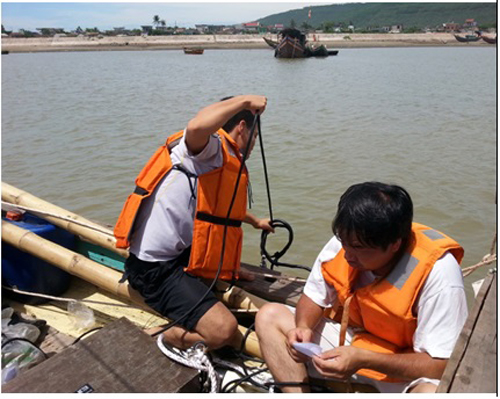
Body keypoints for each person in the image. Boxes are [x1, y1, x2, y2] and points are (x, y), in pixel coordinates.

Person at [255, 182, 468, 393]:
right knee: (269, 316)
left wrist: (365, 359)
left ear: (394, 244)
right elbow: (313, 296)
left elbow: (441, 365)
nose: (347, 254)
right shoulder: (349, 238)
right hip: (351, 346)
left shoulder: (439, 274)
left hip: (404, 371)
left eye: (358, 248)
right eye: (344, 242)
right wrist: (303, 327)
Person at [114, 95, 273, 350]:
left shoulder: (219, 158)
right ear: (242, 127)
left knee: (233, 275)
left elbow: (217, 208)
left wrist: (255, 221)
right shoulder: (209, 150)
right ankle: (161, 335)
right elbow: (198, 126)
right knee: (223, 331)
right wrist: (245, 101)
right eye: (254, 137)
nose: (254, 144)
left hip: (179, 258)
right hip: (153, 270)